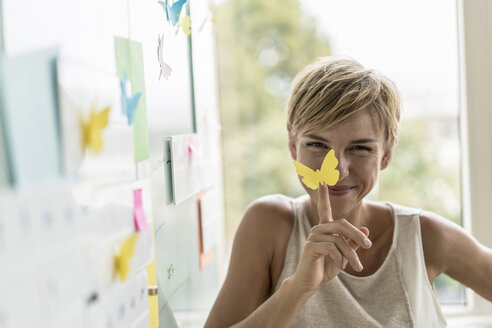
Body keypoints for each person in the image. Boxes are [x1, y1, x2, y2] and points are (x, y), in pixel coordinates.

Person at [204, 57, 492, 327]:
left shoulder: (424, 237)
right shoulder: (268, 225)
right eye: (317, 145)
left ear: (386, 154)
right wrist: (298, 288)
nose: (339, 170)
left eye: (360, 148)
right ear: (293, 147)